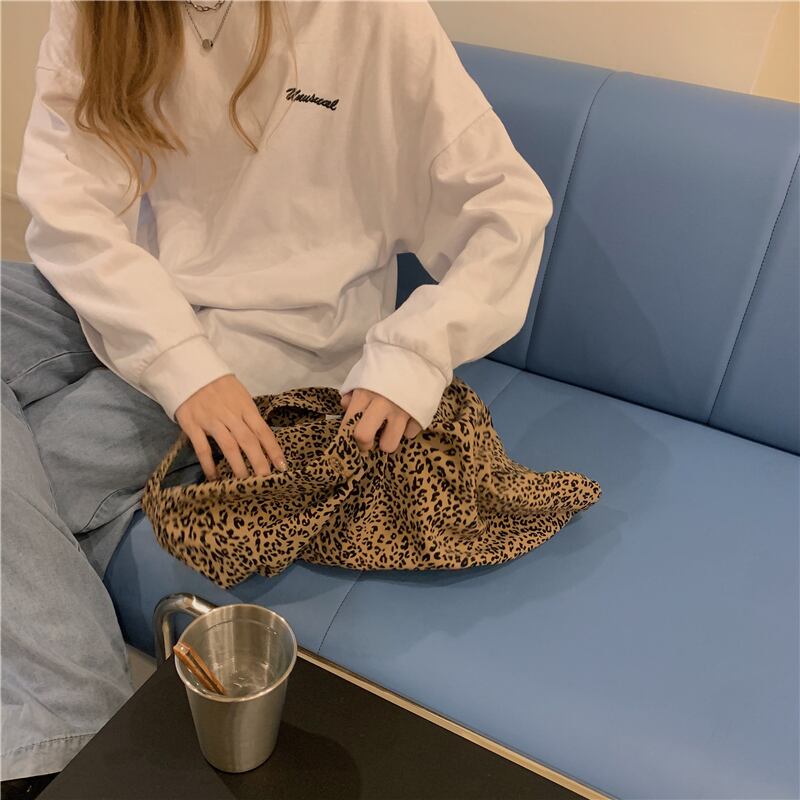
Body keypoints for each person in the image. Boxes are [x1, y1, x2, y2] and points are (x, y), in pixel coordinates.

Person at [0, 0, 554, 788]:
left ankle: (70, 743)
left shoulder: (373, 16)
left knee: (35, 478)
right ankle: (79, 731)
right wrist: (177, 358)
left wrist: (414, 354)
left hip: (279, 338)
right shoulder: (101, 9)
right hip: (140, 300)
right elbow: (69, 203)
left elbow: (507, 210)